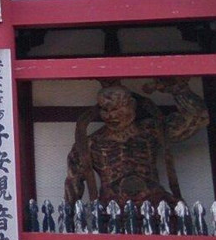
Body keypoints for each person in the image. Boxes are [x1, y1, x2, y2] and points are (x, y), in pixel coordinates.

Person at [64, 78, 208, 207]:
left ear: (132, 105)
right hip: (111, 209)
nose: (110, 115)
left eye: (116, 108)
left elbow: (198, 118)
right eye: (105, 110)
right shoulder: (91, 143)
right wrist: (68, 221)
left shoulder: (150, 131)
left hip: (155, 204)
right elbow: (73, 185)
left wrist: (178, 89)